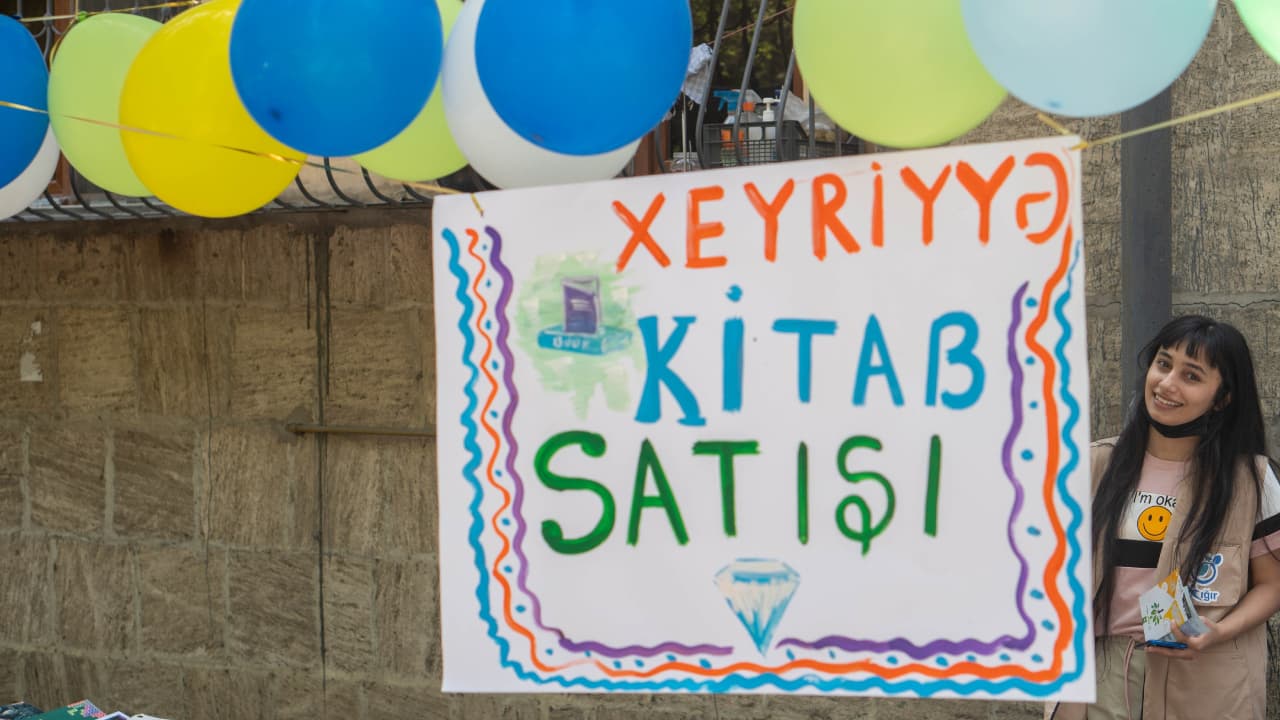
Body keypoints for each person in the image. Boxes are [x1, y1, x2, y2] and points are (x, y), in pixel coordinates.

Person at [1050, 315, 1280, 720]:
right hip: (1101, 679)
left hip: (1203, 681)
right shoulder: (1092, 465)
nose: (1167, 384)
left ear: (1223, 397)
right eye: (1163, 364)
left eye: (1191, 376)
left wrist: (1218, 632)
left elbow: (1273, 584)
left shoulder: (1253, 480)